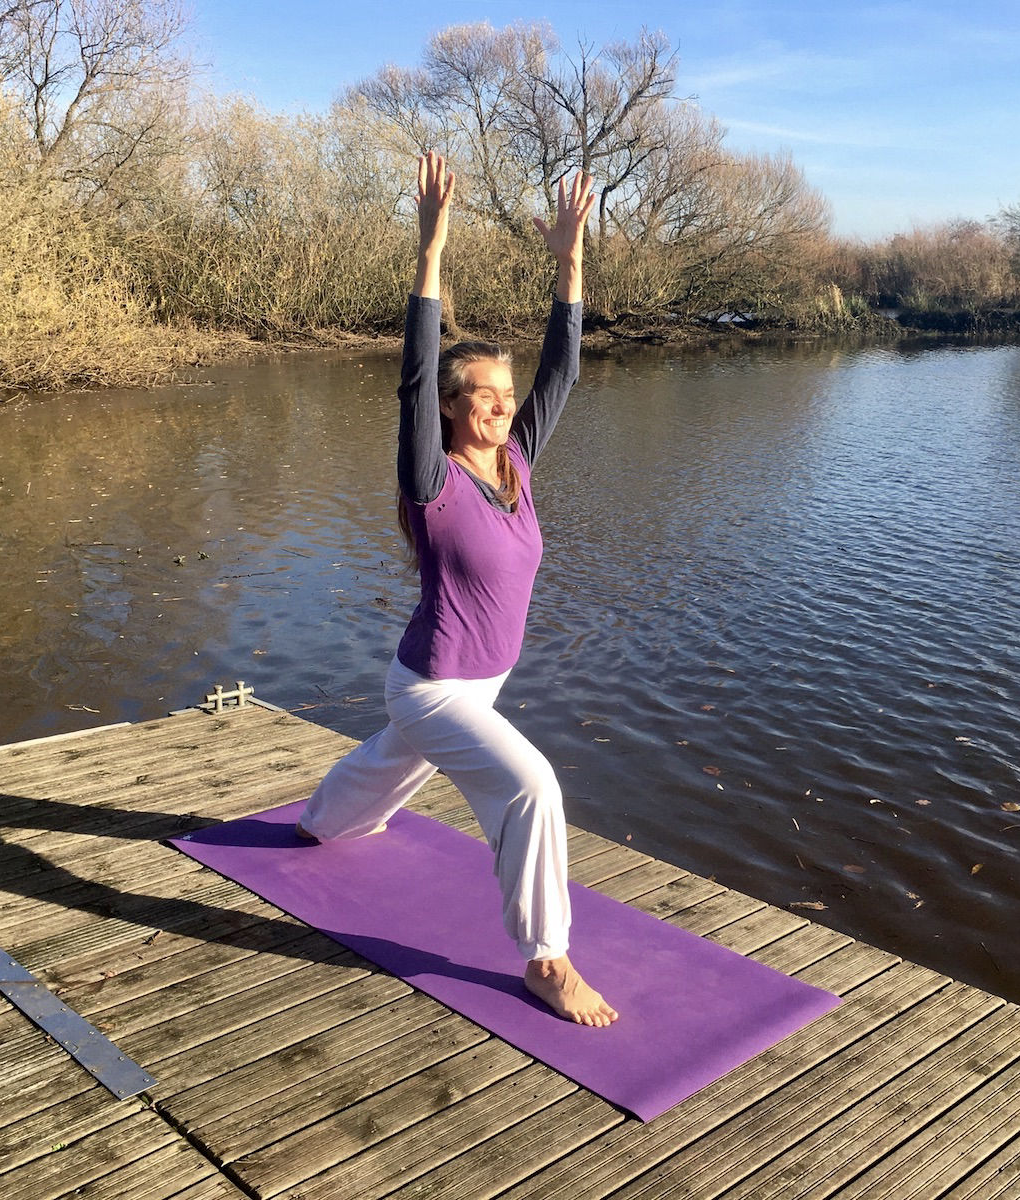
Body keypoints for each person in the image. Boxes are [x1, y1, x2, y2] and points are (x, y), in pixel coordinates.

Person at [297, 151, 617, 1027]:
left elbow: (566, 369)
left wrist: (570, 262)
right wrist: (430, 253)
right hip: (435, 682)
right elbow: (411, 373)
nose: (502, 406)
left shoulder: (515, 459)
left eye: (507, 395)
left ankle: (322, 822)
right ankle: (545, 958)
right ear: (448, 406)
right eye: (483, 395)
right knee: (531, 785)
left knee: (390, 766)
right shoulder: (431, 479)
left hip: (484, 679)